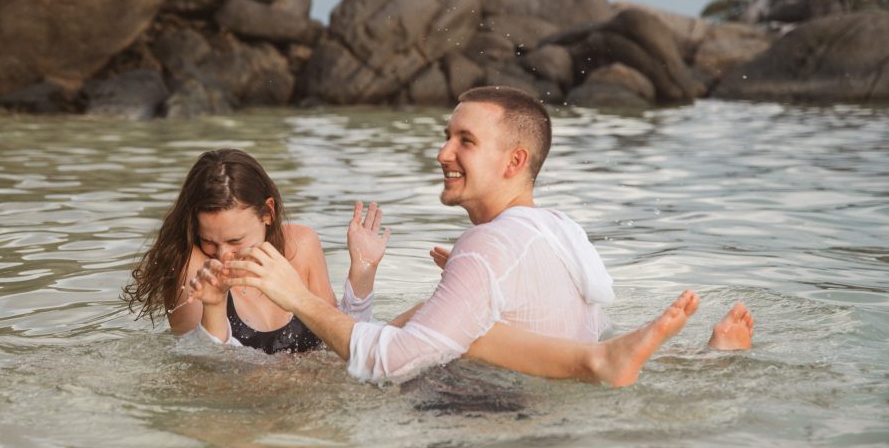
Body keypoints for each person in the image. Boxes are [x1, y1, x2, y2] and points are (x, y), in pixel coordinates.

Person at [217, 86, 754, 385]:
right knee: (442, 319)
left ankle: (610, 363)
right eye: (446, 136)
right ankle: (701, 367)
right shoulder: (557, 228)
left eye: (464, 140)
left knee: (321, 390)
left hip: (484, 427)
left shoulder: (488, 247)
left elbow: (388, 363)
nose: (442, 152)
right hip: (550, 410)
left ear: (513, 160)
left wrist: (293, 295)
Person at [122, 149, 390, 353]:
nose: (223, 255)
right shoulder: (192, 268)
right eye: (210, 241)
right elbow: (204, 370)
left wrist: (363, 271)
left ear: (268, 213)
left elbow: (341, 343)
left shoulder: (302, 244)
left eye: (236, 240)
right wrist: (214, 305)